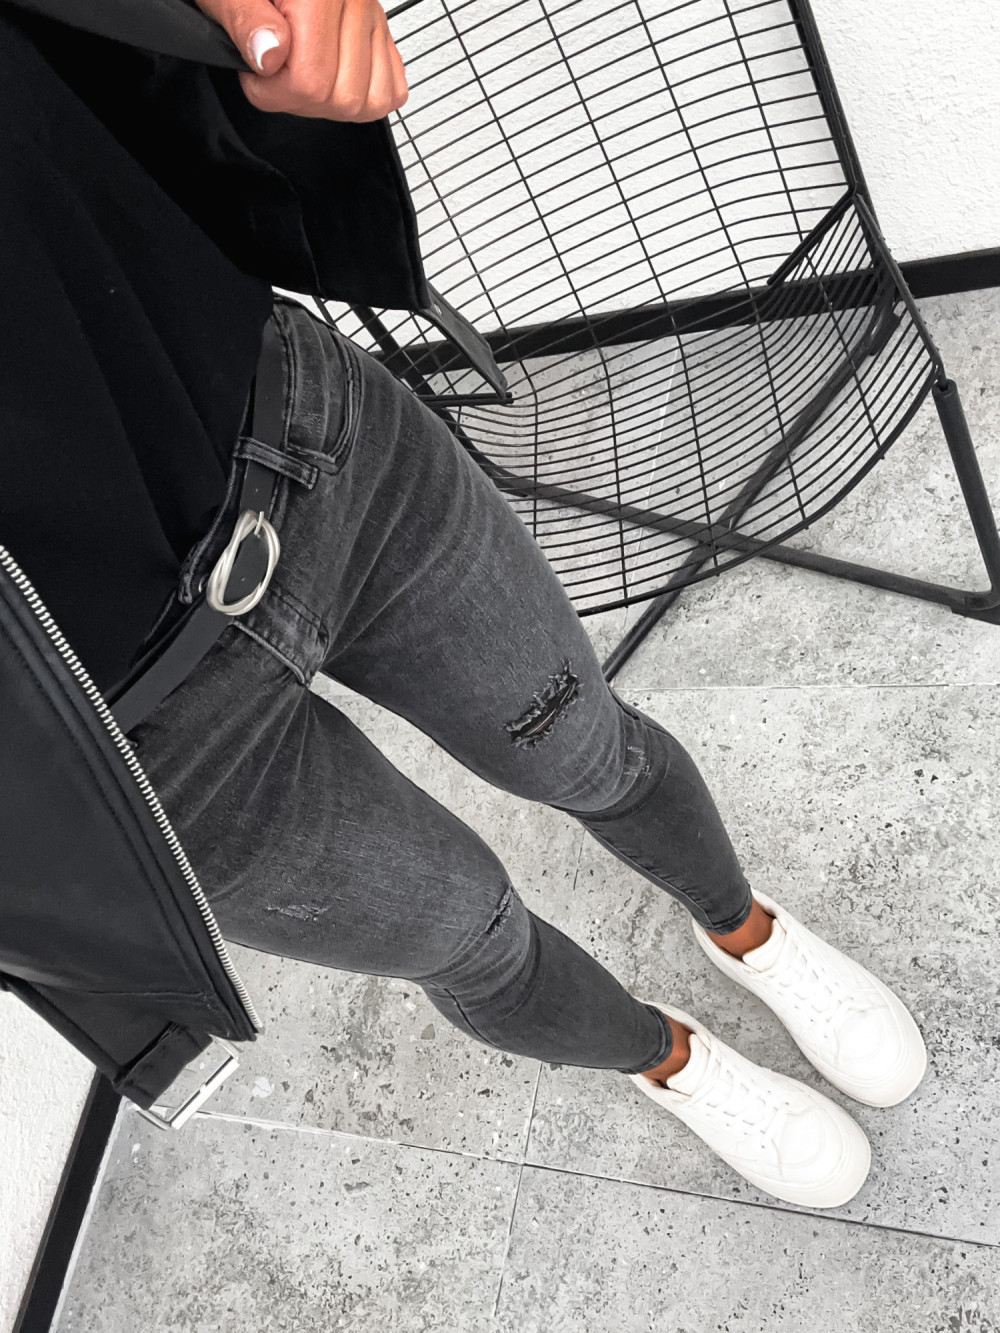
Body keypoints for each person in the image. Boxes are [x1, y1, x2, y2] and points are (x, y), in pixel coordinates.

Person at [0, 0, 926, 1210]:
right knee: (470, 937)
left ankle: (746, 929)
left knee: (591, 751)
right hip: (115, 743)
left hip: (303, 442)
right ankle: (673, 1061)